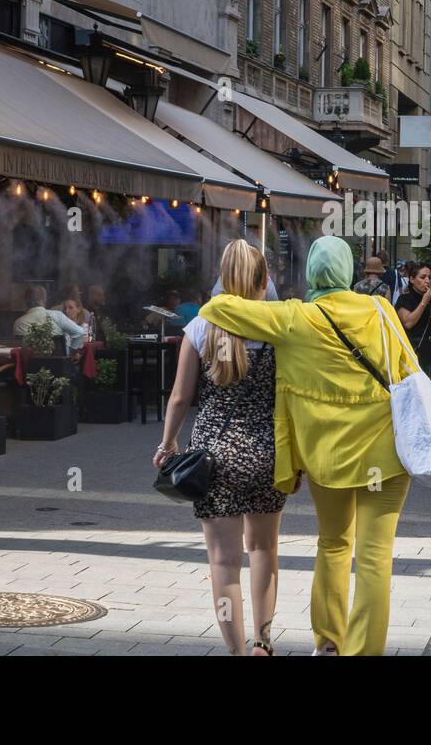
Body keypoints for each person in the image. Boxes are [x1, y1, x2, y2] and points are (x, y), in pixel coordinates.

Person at [200, 235, 419, 656]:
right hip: (386, 459)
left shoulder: (296, 318)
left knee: (334, 544)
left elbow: (217, 309)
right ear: (349, 272)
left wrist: (242, 283)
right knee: (375, 558)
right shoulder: (379, 310)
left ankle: (329, 643)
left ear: (312, 273)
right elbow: (408, 372)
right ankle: (363, 651)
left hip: (328, 459)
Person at [154, 240, 285, 656]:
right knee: (264, 549)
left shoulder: (200, 326)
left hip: (214, 454)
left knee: (224, 563)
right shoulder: (277, 326)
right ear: (264, 280)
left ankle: (237, 652)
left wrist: (169, 442)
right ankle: (264, 641)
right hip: (268, 451)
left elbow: (179, 398)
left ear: (222, 280)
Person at [395, 263, 431, 388]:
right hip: (412, 352)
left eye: (430, 277)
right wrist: (424, 302)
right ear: (412, 279)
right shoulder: (404, 299)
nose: (427, 281)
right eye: (422, 277)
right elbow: (408, 323)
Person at [14, 285, 86, 351]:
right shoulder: (58, 315)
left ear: (25, 302)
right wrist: (72, 351)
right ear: (44, 300)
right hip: (59, 364)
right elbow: (80, 332)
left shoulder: (18, 323)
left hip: (30, 364)